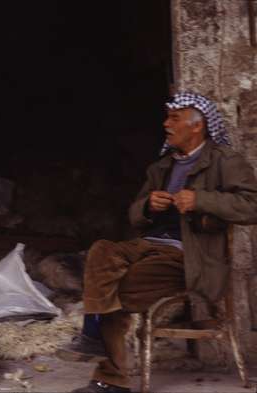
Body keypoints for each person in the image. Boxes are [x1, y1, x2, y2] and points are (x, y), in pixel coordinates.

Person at [59, 92, 257, 393]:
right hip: (146, 245)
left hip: (187, 256)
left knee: (114, 291)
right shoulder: (162, 167)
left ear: (197, 126)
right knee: (101, 250)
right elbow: (133, 215)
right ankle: (92, 336)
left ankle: (110, 379)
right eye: (167, 117)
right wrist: (149, 205)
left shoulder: (225, 161)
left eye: (174, 118)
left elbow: (252, 205)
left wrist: (201, 199)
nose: (166, 124)